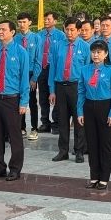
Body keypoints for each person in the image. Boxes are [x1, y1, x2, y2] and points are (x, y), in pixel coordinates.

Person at [0, 20, 31, 181]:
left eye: (4, 29)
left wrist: (23, 102)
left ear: (12, 32)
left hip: (12, 100)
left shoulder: (21, 52)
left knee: (14, 136)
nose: (0, 32)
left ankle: (15, 169)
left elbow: (24, 79)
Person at [77, 40, 111, 190]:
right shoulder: (85, 69)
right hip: (89, 106)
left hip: (105, 106)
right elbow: (81, 92)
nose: (95, 55)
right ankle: (94, 176)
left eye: (99, 52)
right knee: (92, 143)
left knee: (105, 144)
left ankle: (104, 178)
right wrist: (80, 111)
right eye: (93, 52)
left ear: (106, 54)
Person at [48, 19, 90, 163]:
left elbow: (87, 71)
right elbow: (52, 69)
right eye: (67, 29)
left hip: (77, 87)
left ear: (79, 31)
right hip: (60, 86)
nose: (69, 32)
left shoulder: (85, 47)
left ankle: (79, 151)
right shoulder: (57, 45)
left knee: (79, 120)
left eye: (72, 30)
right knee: (62, 120)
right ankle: (63, 151)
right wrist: (52, 90)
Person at [34, 12, 66, 135]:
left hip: (54, 69)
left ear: (55, 21)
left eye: (48, 19)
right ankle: (45, 122)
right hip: (42, 69)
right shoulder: (39, 35)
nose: (46, 21)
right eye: (45, 19)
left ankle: (56, 123)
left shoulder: (61, 35)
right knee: (43, 97)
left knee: (55, 96)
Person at [14, 13, 41, 140]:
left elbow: (38, 60)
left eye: (24, 22)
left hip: (30, 73)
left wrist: (34, 78)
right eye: (19, 22)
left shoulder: (36, 38)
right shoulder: (15, 38)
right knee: (19, 100)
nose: (22, 24)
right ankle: (21, 127)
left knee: (31, 101)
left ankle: (34, 128)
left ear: (29, 22)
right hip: (18, 74)